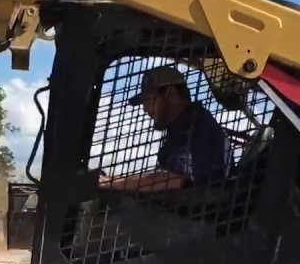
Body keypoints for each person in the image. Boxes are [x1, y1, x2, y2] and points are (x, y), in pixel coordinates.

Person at [97, 64, 233, 192]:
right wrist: (114, 181)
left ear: (170, 92)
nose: (145, 109)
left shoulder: (195, 125)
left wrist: (112, 183)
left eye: (149, 99)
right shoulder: (182, 125)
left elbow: (175, 179)